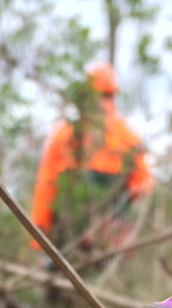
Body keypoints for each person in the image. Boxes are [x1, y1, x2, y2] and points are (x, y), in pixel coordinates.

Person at [30, 61, 154, 264]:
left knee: (63, 282)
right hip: (94, 237)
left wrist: (40, 238)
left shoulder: (66, 132)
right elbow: (143, 184)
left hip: (79, 237)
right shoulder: (128, 135)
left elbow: (46, 186)